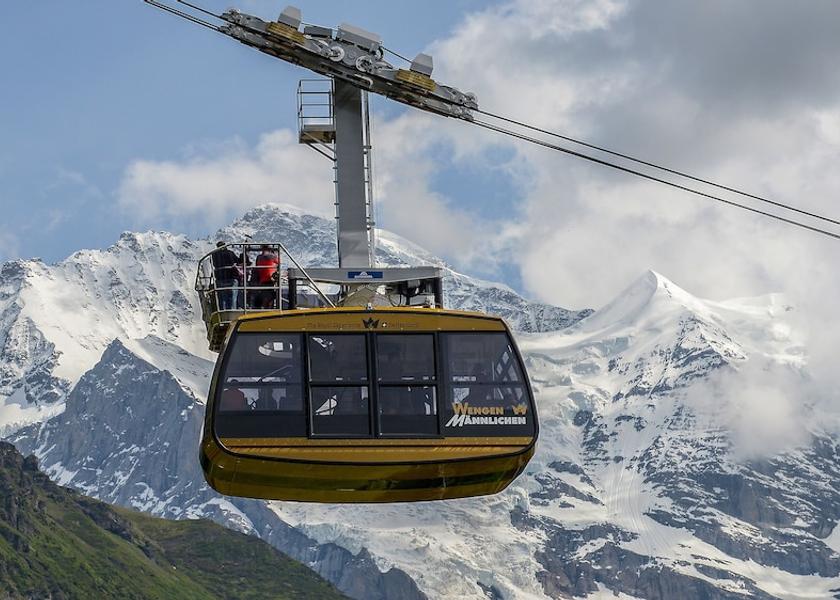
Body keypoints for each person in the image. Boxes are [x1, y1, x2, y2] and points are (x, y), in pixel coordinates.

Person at [211, 241, 242, 310]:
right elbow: (238, 261)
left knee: (222, 298)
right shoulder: (230, 253)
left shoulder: (214, 255)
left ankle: (223, 313)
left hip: (220, 279)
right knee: (232, 297)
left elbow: (214, 264)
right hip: (231, 278)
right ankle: (232, 311)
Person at [249, 245, 280, 309]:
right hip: (269, 279)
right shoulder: (270, 256)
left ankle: (263, 307)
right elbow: (279, 261)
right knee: (269, 298)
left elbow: (257, 266)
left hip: (262, 280)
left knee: (264, 296)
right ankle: (268, 309)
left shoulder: (259, 257)